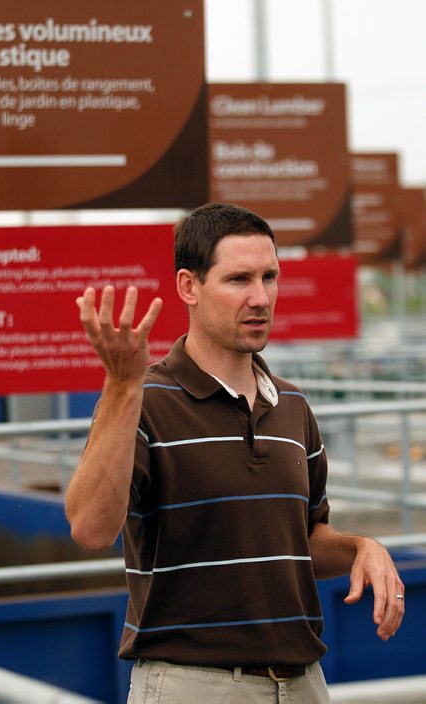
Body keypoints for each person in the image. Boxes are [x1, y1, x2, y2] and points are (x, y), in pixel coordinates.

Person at [65, 202, 404, 703]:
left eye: (270, 277)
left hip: (304, 682)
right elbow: (91, 527)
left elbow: (301, 540)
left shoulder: (292, 404)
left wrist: (362, 548)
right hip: (193, 685)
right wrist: (120, 385)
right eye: (239, 279)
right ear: (189, 287)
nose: (260, 297)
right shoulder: (143, 399)